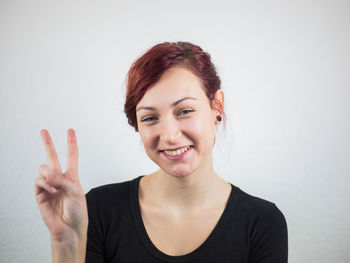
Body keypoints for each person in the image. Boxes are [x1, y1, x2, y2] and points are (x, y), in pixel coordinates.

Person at [35, 41, 288, 263]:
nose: (168, 135)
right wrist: (66, 244)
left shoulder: (263, 224)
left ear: (217, 106)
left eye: (185, 111)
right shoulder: (97, 211)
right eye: (150, 118)